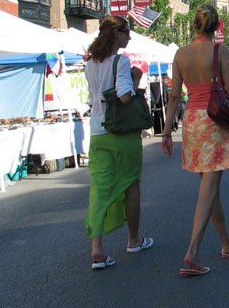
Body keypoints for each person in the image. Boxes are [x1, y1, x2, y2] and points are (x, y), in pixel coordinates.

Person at [161, 5, 229, 277]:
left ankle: (226, 243)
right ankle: (193, 251)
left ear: (194, 26)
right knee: (209, 186)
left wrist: (167, 132)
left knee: (208, 187)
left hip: (192, 120)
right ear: (216, 27)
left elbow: (175, 97)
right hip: (214, 120)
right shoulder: (219, 51)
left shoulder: (180, 54)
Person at [84, 16, 153, 270]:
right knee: (131, 185)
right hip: (122, 134)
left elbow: (96, 96)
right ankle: (134, 240)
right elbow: (124, 96)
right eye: (127, 33)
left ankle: (97, 249)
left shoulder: (90, 63)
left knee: (99, 188)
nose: (130, 37)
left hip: (97, 133)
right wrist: (135, 78)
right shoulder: (121, 61)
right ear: (117, 35)